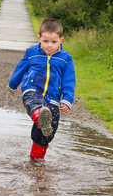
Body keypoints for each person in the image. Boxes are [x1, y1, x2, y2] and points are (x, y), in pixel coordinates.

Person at [8, 18, 76, 165]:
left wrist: (67, 99)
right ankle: (38, 115)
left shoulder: (65, 59)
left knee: (50, 127)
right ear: (39, 38)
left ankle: (36, 158)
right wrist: (13, 84)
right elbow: (21, 69)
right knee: (34, 103)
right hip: (32, 89)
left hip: (52, 97)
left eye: (53, 42)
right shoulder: (32, 52)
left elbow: (69, 81)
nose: (49, 45)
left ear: (61, 40)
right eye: (45, 41)